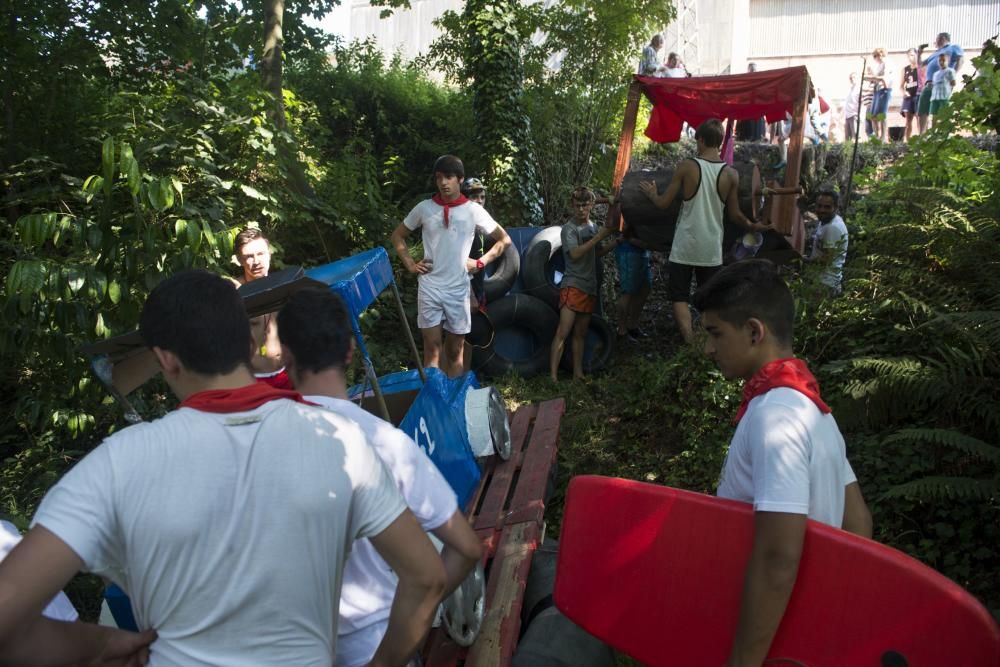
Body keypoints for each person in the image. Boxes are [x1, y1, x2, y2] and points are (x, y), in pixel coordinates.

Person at [0, 270, 447, 665]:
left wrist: (97, 644)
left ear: (165, 359)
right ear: (250, 344)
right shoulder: (339, 440)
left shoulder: (117, 463)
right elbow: (426, 578)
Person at [277, 287, 482, 667]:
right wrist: (416, 613)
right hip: (375, 645)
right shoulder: (384, 442)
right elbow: (467, 547)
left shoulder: (256, 443)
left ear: (285, 355)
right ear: (350, 352)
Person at [690, 260, 873, 667]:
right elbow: (858, 523)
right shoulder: (815, 409)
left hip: (767, 638)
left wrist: (743, 662)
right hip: (798, 633)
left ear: (754, 331)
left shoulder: (778, 416)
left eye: (716, 333)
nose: (709, 349)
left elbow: (778, 555)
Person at [639, 119, 769, 343]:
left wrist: (651, 193)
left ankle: (690, 341)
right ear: (719, 142)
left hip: (685, 243)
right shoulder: (731, 174)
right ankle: (708, 340)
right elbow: (735, 215)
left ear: (700, 139)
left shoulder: (687, 166)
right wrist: (752, 225)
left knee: (679, 296)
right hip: (711, 246)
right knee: (711, 297)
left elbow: (663, 203)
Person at [390, 155, 512, 378]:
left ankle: (454, 406)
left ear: (460, 179)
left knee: (455, 352)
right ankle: (436, 405)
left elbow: (504, 240)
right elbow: (398, 235)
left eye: (449, 177)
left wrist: (480, 262)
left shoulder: (472, 210)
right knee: (431, 350)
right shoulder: (424, 208)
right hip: (429, 287)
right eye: (439, 178)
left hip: (458, 289)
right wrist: (409, 264)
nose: (443, 182)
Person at [549, 187, 618, 381]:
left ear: (591, 205)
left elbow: (597, 253)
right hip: (572, 285)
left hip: (589, 286)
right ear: (573, 206)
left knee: (581, 333)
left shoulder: (594, 227)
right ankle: (553, 377)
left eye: (585, 205)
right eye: (578, 205)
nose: (581, 209)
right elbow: (576, 254)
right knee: (563, 331)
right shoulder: (569, 229)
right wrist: (600, 236)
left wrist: (616, 242)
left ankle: (577, 374)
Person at [233, 227, 292, 389]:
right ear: (239, 260)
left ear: (269, 254)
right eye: (249, 256)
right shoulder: (234, 292)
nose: (256, 261)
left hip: (286, 373)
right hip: (252, 379)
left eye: (261, 254)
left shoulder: (283, 287)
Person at [917, 33, 964, 134]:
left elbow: (961, 59)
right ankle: (922, 135)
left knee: (939, 111)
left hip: (942, 85)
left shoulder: (953, 47)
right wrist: (919, 54)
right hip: (928, 84)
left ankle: (939, 135)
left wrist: (953, 74)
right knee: (922, 110)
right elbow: (920, 64)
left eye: (937, 39)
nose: (935, 41)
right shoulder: (934, 53)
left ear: (943, 38)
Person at [615, 222, 653, 342]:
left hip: (643, 250)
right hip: (628, 250)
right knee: (628, 291)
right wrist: (628, 237)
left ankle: (632, 325)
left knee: (645, 287)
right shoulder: (627, 204)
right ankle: (621, 331)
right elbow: (618, 224)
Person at [807, 191, 849, 295]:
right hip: (822, 280)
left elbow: (827, 259)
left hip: (825, 284)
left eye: (827, 207)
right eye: (819, 206)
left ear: (835, 208)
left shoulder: (832, 227)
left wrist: (804, 260)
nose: (822, 210)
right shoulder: (827, 220)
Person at [863, 48, 892, 142]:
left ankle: (883, 137)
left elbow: (884, 78)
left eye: (875, 56)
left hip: (884, 90)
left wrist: (870, 77)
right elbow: (875, 77)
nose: (875, 59)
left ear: (880, 55)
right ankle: (876, 135)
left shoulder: (887, 63)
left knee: (882, 115)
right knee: (873, 115)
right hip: (877, 90)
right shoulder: (879, 65)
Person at [929, 52, 957, 127]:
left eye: (943, 60)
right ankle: (933, 134)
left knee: (944, 117)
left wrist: (948, 91)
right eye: (940, 61)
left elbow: (953, 83)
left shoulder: (950, 71)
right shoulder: (935, 74)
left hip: (944, 97)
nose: (941, 62)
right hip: (935, 97)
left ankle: (945, 133)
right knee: (934, 117)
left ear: (947, 61)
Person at [900, 48, 921, 140]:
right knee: (908, 121)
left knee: (919, 119)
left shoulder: (921, 68)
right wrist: (904, 92)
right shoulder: (905, 69)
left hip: (918, 95)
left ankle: (922, 139)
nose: (910, 58)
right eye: (908, 56)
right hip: (909, 97)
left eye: (912, 55)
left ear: (917, 55)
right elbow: (901, 86)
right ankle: (907, 141)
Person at [843, 72, 861, 142]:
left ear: (857, 78)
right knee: (847, 139)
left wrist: (859, 115)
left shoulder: (859, 89)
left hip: (854, 115)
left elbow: (861, 103)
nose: (852, 79)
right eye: (850, 78)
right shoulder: (850, 89)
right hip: (847, 116)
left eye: (853, 77)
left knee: (856, 137)